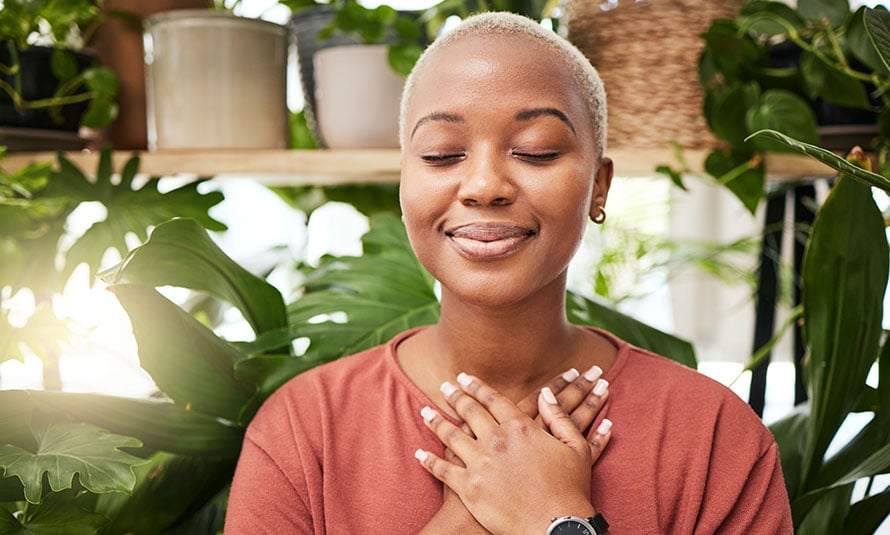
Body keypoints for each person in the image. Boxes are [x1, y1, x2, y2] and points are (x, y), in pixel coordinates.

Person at [225, 12, 793, 534]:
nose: (483, 186)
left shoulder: (714, 436)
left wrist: (557, 519)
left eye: (537, 151)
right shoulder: (305, 431)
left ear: (599, 185)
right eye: (443, 154)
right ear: (404, 184)